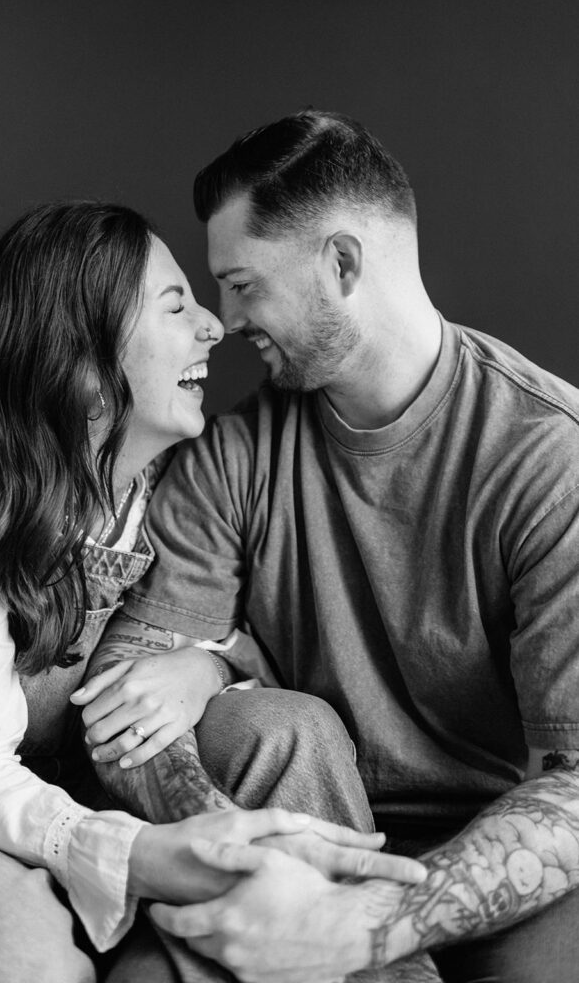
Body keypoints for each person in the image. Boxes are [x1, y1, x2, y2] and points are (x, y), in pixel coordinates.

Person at [76, 113, 579, 983]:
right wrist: (237, 848)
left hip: (501, 848)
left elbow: (575, 785)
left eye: (242, 285)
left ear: (342, 264)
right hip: (297, 824)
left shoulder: (549, 457)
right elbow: (129, 690)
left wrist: (362, 925)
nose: (226, 319)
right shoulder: (233, 454)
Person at [0, 200, 423, 983]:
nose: (214, 326)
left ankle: (348, 942)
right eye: (177, 306)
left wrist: (206, 666)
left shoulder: (165, 484)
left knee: (290, 728)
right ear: (83, 363)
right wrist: (142, 854)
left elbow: (235, 630)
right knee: (19, 955)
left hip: (71, 767)